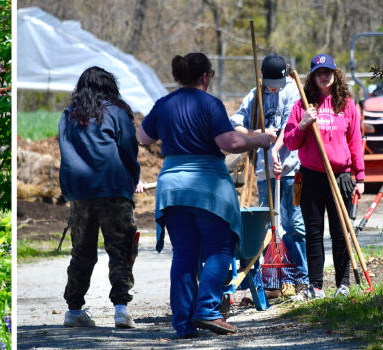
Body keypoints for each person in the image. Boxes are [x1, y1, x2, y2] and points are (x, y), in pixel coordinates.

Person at [138, 53, 275, 338]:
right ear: (204, 77)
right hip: (208, 186)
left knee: (185, 255)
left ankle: (183, 324)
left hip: (172, 188)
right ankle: (208, 310)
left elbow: (143, 137)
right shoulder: (210, 104)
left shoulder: (163, 104)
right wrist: (259, 140)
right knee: (219, 250)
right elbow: (230, 142)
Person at [58, 66, 144, 329]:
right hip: (113, 189)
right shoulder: (116, 112)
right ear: (109, 86)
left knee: (81, 252)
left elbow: (65, 151)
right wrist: (134, 178)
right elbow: (129, 149)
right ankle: (120, 309)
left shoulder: (69, 115)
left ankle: (73, 311)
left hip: (81, 193)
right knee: (121, 247)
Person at [283, 54, 365, 300]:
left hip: (340, 178)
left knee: (341, 233)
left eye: (328, 71)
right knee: (313, 233)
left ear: (335, 73)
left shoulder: (347, 105)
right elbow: (290, 141)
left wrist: (359, 178)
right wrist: (304, 123)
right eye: (319, 72)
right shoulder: (302, 105)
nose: (324, 75)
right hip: (311, 177)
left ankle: (343, 285)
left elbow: (355, 143)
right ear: (312, 76)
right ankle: (316, 287)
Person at [229, 53, 308, 299]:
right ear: (261, 76)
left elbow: (289, 126)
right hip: (264, 174)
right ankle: (273, 282)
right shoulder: (255, 95)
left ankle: (302, 280)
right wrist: (257, 134)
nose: (275, 87)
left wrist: (275, 150)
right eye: (270, 82)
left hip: (291, 170)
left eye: (278, 82)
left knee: (294, 225)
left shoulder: (293, 90)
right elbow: (235, 124)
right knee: (270, 229)